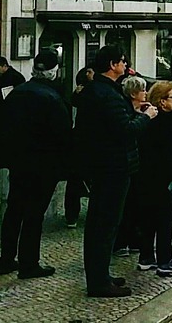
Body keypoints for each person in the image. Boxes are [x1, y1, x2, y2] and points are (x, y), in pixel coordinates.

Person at [78, 47, 157, 298]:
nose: (125, 65)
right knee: (105, 225)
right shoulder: (108, 94)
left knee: (101, 224)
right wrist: (146, 117)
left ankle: (101, 275)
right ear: (113, 65)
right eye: (123, 62)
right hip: (113, 167)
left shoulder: (96, 90)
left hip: (100, 165)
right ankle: (99, 282)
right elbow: (125, 132)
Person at [0, 48, 73, 279]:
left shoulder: (17, 94)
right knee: (34, 214)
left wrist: (6, 158)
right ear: (54, 72)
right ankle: (29, 263)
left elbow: (0, 128)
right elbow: (63, 136)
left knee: (14, 210)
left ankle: (6, 259)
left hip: (19, 164)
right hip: (43, 166)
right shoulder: (52, 99)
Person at [136, 80, 172, 277]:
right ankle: (165, 260)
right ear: (162, 101)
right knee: (165, 220)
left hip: (145, 177)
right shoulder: (168, 124)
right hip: (163, 179)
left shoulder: (146, 121)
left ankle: (146, 257)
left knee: (147, 218)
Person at [115, 76, 151, 257]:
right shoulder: (127, 111)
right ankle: (121, 241)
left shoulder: (137, 109)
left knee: (136, 204)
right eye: (143, 90)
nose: (146, 93)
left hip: (137, 163)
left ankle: (134, 238)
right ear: (134, 93)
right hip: (128, 163)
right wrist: (145, 117)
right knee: (127, 204)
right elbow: (130, 131)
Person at [64, 66, 96, 228]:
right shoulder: (89, 92)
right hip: (87, 141)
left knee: (75, 181)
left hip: (79, 140)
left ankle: (72, 216)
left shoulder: (79, 93)